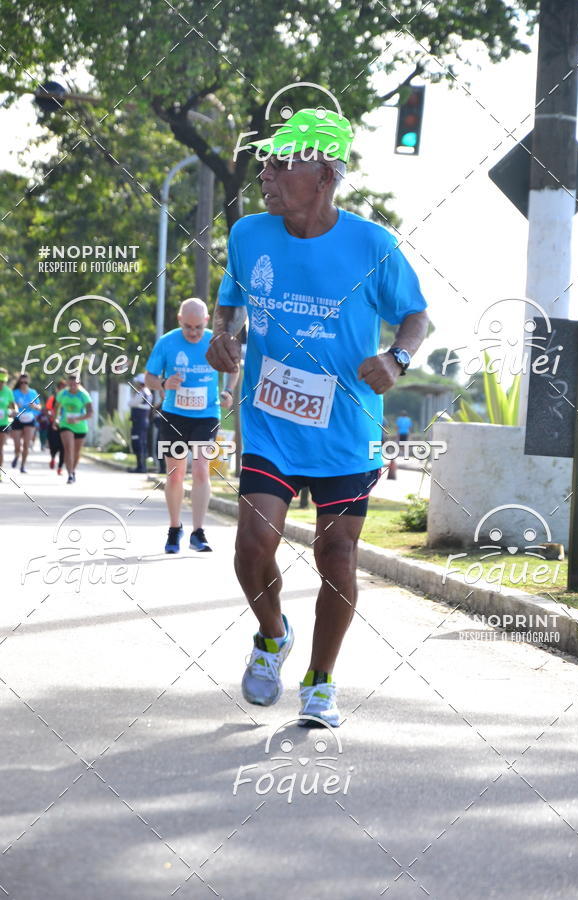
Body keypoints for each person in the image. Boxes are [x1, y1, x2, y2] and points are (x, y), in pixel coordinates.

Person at [207, 108, 429, 727]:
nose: (267, 174)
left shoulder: (371, 245)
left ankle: (321, 682)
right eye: (266, 162)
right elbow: (229, 307)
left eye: (283, 163)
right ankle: (273, 634)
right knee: (254, 544)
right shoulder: (249, 235)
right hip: (272, 421)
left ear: (325, 176)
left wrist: (398, 358)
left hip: (346, 427)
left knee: (336, 557)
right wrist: (220, 338)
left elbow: (415, 315)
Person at [145, 297, 238, 554]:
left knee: (200, 470)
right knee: (175, 473)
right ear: (179, 321)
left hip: (206, 415)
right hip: (174, 415)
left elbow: (234, 366)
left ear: (207, 321)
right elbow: (148, 377)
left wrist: (228, 390)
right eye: (188, 327)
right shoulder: (167, 343)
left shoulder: (215, 340)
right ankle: (175, 528)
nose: (194, 332)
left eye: (198, 327)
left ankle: (198, 532)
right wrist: (163, 384)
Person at [54, 374, 93, 484]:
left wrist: (78, 419)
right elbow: (56, 407)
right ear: (67, 383)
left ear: (79, 383)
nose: (73, 386)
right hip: (65, 424)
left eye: (75, 384)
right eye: (70, 384)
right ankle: (70, 474)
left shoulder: (84, 395)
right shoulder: (62, 394)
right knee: (68, 449)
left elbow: (90, 413)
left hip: (80, 426)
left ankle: (73, 470)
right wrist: (55, 420)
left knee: (76, 452)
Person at [12, 374, 41, 473]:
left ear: (29, 382)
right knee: (17, 445)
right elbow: (10, 405)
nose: (23, 384)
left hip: (30, 419)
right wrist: (14, 407)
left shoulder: (33, 392)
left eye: (26, 382)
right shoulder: (14, 393)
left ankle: (23, 465)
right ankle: (16, 455)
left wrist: (35, 406)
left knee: (26, 444)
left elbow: (39, 406)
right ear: (19, 382)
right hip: (18, 419)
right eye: (21, 382)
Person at [128, 373, 152, 473]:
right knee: (142, 443)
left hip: (139, 422)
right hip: (143, 421)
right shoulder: (148, 393)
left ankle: (140, 467)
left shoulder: (141, 393)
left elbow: (131, 403)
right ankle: (141, 466)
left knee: (138, 443)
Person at [46, 379, 66, 474]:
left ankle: (60, 467)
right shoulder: (52, 399)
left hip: (65, 425)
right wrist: (52, 415)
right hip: (53, 425)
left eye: (64, 388)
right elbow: (47, 410)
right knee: (53, 445)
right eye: (60, 388)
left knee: (63, 447)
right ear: (57, 389)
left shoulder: (68, 399)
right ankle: (53, 457)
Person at [0, 368, 17, 482]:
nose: (1, 384)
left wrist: (13, 411)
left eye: (3, 382)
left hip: (3, 423)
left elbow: (13, 406)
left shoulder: (8, 392)